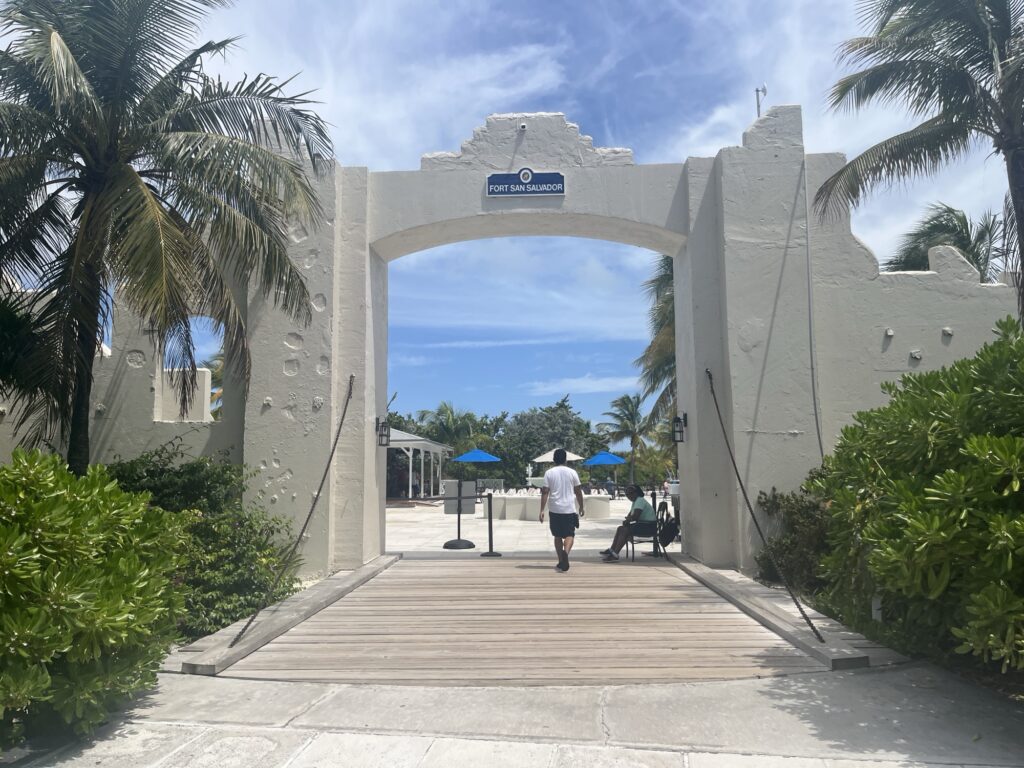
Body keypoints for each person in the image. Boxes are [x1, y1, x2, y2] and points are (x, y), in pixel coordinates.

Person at [539, 448, 585, 572]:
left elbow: (545, 492)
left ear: (554, 459)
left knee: (557, 535)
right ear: (565, 459)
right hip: (569, 508)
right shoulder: (572, 472)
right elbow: (578, 491)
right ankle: (566, 552)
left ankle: (560, 561)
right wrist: (581, 506)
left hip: (555, 509)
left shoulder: (549, 473)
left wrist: (541, 510)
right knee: (570, 534)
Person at [601, 485, 656, 562]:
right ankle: (612, 550)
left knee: (624, 530)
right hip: (644, 525)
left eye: (631, 493)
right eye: (627, 494)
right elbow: (630, 516)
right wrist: (628, 520)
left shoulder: (640, 501)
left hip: (648, 527)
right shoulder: (636, 502)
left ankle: (615, 554)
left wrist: (628, 520)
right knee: (620, 528)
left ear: (636, 493)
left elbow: (635, 516)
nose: (629, 496)